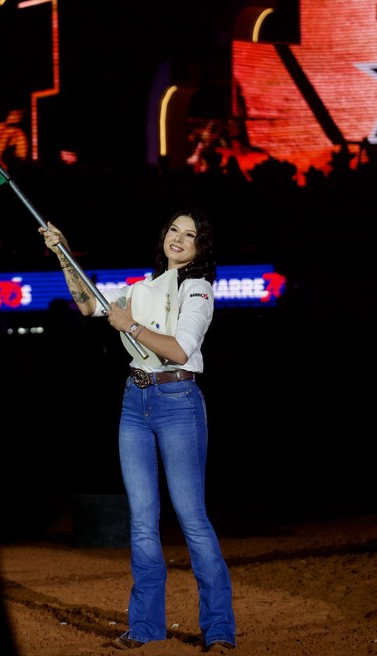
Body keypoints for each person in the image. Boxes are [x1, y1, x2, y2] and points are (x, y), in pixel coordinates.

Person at [39, 209, 237, 653]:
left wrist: (129, 325)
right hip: (135, 400)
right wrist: (63, 254)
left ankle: (220, 628)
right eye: (174, 230)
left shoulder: (198, 289)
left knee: (191, 518)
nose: (179, 238)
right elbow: (89, 304)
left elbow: (181, 349)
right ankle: (145, 627)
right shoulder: (143, 288)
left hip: (178, 401)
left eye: (190, 235)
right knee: (143, 521)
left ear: (201, 248)